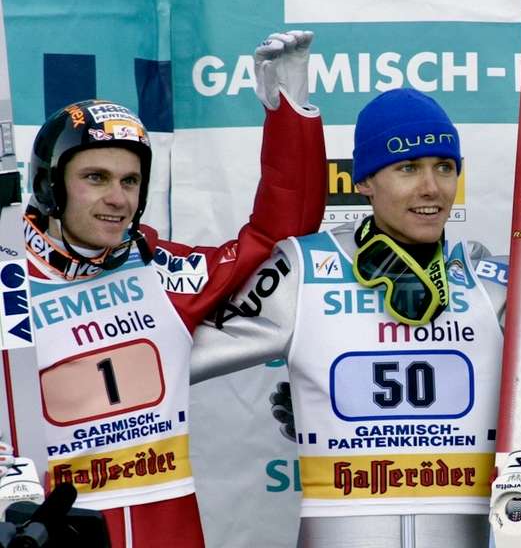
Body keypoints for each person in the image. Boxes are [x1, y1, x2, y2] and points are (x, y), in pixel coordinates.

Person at [188, 0, 521, 548]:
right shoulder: (303, 273)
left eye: (444, 167)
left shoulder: (488, 281)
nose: (431, 187)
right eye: (407, 168)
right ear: (364, 180)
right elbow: (167, 354)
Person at [5, 30, 327, 548]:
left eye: (130, 181)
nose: (117, 199)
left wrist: (290, 113)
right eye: (95, 177)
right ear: (49, 184)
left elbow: (276, 236)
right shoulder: (8, 287)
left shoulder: (161, 270)